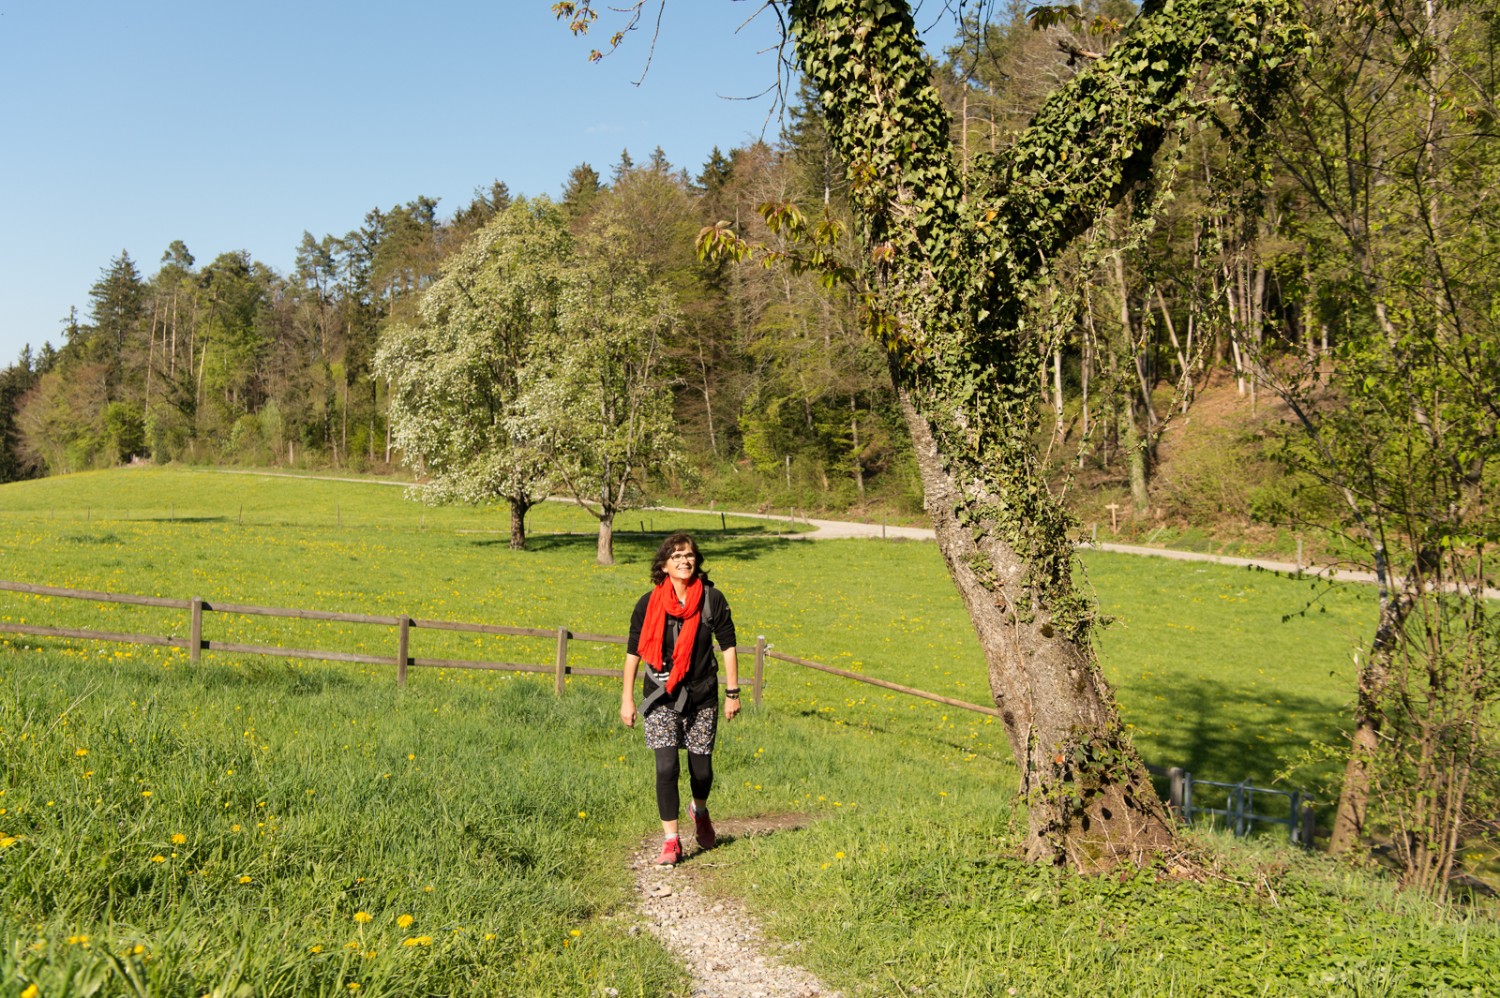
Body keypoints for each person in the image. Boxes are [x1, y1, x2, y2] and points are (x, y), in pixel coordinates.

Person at [621, 532, 740, 866]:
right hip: (660, 695)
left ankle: (698, 811)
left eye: (689, 555)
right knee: (666, 767)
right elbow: (633, 651)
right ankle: (671, 841)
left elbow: (728, 645)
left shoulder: (712, 599)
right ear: (664, 565)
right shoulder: (647, 603)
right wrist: (627, 699)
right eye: (676, 556)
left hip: (702, 696)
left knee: (701, 770)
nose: (684, 561)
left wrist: (732, 692)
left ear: (696, 561)